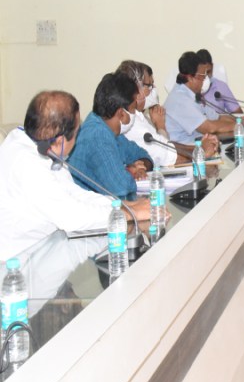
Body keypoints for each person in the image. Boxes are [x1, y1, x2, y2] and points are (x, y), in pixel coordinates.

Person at [0, 91, 149, 259]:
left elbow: (75, 195)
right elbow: (72, 217)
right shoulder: (26, 164)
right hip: (19, 265)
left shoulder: (40, 145)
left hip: (48, 251)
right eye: (77, 132)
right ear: (61, 141)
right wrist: (129, 214)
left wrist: (123, 206)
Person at [67, 73, 154, 200]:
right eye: (133, 110)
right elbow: (121, 187)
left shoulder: (108, 126)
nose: (135, 114)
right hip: (92, 208)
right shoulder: (97, 135)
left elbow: (142, 154)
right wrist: (130, 170)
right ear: (121, 113)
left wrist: (142, 167)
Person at [116, 60, 218, 166]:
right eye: (149, 85)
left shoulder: (139, 116)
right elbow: (166, 156)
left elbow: (166, 146)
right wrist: (201, 151)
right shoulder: (129, 122)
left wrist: (199, 147)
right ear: (136, 88)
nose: (154, 89)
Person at [164, 50, 238, 144]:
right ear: (190, 78)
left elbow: (217, 117)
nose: (205, 80)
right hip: (185, 150)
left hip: (199, 145)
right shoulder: (180, 100)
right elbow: (209, 128)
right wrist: (239, 126)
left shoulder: (193, 95)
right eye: (203, 76)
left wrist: (239, 121)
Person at [198, 49, 243, 114]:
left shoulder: (221, 86)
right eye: (202, 73)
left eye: (208, 72)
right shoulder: (190, 88)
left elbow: (238, 114)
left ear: (212, 67)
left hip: (218, 120)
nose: (205, 76)